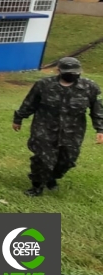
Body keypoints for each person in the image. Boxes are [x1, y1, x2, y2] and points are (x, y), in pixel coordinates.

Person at [13, 57, 103, 197]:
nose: (72, 74)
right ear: (58, 70)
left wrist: (100, 129)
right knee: (43, 160)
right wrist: (19, 118)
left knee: (67, 161)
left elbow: (97, 109)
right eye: (67, 71)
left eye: (75, 72)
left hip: (73, 132)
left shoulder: (90, 87)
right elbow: (30, 103)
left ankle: (51, 177)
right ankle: (37, 186)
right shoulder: (43, 85)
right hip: (44, 129)